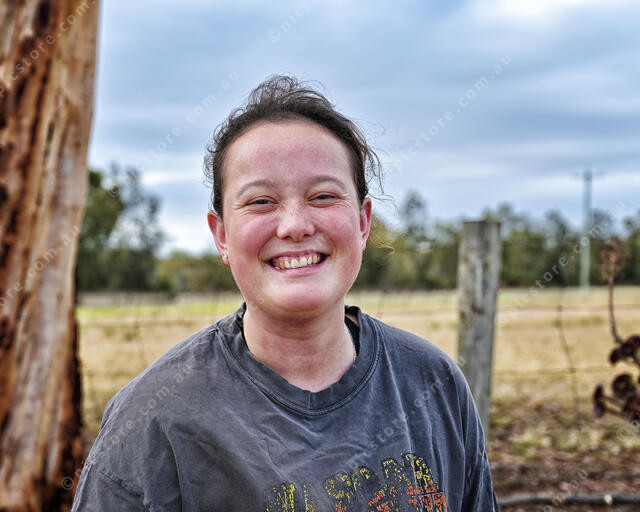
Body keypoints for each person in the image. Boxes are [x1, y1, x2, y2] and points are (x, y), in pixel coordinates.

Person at [72, 75, 498, 511]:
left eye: (323, 196)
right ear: (221, 235)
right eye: (261, 201)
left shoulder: (434, 384)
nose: (295, 225)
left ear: (362, 222)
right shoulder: (151, 420)